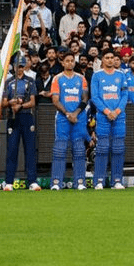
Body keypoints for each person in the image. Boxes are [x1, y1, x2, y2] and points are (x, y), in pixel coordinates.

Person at [49, 52, 89, 190]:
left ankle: (80, 182)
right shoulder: (57, 79)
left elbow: (85, 98)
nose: (70, 63)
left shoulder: (81, 78)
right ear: (62, 62)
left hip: (79, 118)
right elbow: (55, 100)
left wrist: (75, 113)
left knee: (79, 149)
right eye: (67, 60)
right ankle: (56, 182)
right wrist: (67, 114)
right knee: (60, 150)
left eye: (72, 60)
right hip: (62, 118)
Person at [90, 48, 128, 189]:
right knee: (102, 148)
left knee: (118, 148)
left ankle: (117, 180)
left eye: (112, 57)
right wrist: (107, 111)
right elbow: (95, 97)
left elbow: (125, 95)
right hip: (103, 116)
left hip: (119, 116)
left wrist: (117, 111)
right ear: (102, 60)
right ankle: (99, 180)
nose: (110, 60)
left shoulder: (121, 75)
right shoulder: (97, 75)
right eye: (107, 57)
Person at [2, 57, 40, 191]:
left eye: (22, 66)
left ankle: (32, 181)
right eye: (18, 66)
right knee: (12, 150)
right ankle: (8, 182)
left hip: (26, 117)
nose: (20, 69)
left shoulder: (30, 81)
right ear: (13, 66)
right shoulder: (8, 82)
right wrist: (11, 103)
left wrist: (21, 106)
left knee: (30, 150)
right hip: (13, 118)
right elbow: (4, 102)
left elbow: (33, 102)